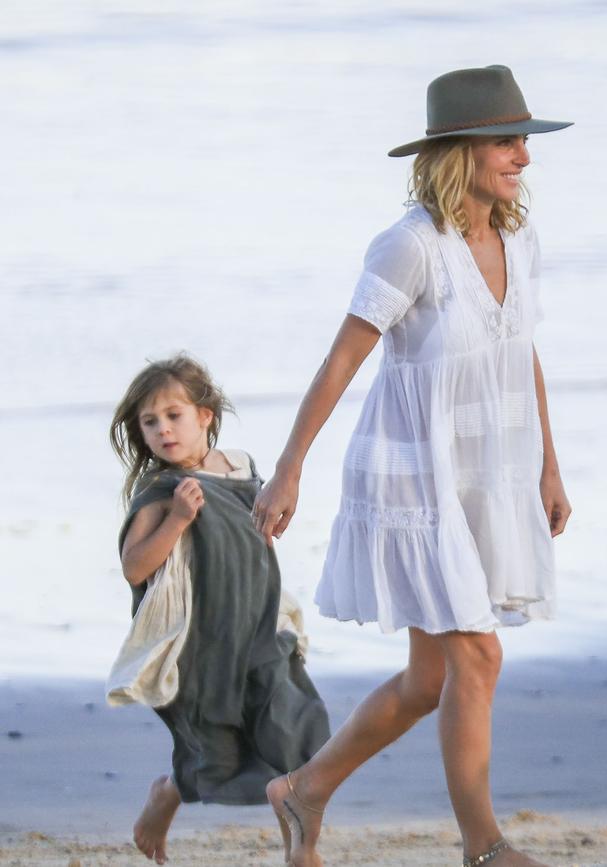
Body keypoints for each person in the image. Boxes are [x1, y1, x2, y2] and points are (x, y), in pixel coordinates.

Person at [253, 65, 572, 867]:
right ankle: (485, 846)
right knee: (478, 653)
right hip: (415, 479)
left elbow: (519, 347)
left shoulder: (520, 237)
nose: (523, 158)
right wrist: (290, 468)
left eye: (523, 142)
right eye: (507, 142)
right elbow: (340, 362)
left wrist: (549, 469)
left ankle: (304, 790)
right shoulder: (410, 246)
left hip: (489, 474)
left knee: (431, 678)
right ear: (460, 150)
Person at [107, 354, 330, 865]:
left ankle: (301, 849)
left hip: (260, 628)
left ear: (205, 415)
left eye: (173, 415)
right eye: (150, 422)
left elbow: (253, 540)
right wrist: (178, 520)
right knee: (218, 750)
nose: (163, 430)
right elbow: (134, 567)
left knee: (294, 734)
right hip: (203, 644)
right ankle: (168, 793)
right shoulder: (163, 490)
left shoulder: (243, 468)